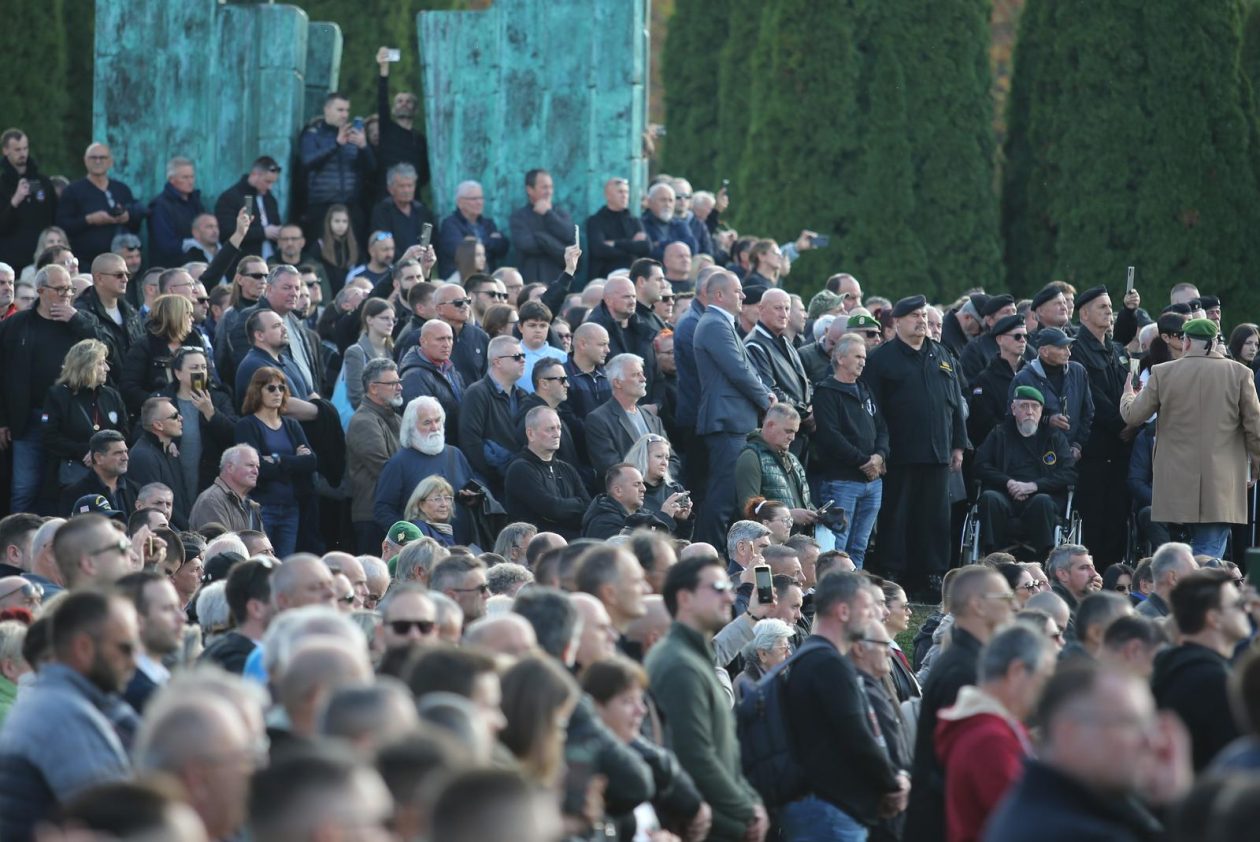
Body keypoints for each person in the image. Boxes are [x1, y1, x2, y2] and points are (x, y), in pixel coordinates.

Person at [982, 663, 1187, 842]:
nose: (1152, 741)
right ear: (1069, 733)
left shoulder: (1041, 807)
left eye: (1149, 724)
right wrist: (1178, 808)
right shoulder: (1075, 832)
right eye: (1130, 723)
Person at [775, 571, 906, 841]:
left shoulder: (813, 656)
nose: (875, 616)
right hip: (829, 809)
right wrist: (893, 784)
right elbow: (857, 734)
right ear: (844, 611)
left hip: (820, 804)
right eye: (868, 609)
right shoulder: (829, 663)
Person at [646, 556, 769, 842]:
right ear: (685, 598)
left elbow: (723, 752)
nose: (729, 595)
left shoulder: (695, 656)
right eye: (717, 587)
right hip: (706, 826)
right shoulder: (678, 664)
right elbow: (695, 755)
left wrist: (750, 801)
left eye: (728, 585)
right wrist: (746, 808)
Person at [0, 590, 138, 840]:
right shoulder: (60, 717)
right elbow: (114, 824)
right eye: (125, 648)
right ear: (84, 647)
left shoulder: (61, 704)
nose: (133, 661)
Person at [1121, 317, 1260, 557]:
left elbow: (1133, 415)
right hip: (1221, 484)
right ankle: (1196, 589)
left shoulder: (1162, 372)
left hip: (1174, 484)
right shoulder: (1240, 373)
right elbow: (1255, 428)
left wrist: (1127, 395)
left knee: (1180, 554)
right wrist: (1255, 468)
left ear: (1185, 342)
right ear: (1215, 342)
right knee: (1209, 552)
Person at [861, 295, 967, 600]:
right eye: (914, 316)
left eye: (924, 315)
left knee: (935, 518)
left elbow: (954, 405)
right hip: (900, 454)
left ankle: (933, 575)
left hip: (938, 453)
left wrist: (958, 444)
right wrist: (879, 450)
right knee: (897, 515)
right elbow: (873, 409)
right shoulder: (882, 358)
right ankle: (893, 573)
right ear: (897, 322)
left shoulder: (942, 354)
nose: (921, 321)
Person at [904, 566, 1015, 842]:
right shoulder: (963, 670)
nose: (1012, 605)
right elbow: (964, 762)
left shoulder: (969, 659)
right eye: (1003, 598)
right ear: (978, 605)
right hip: (946, 822)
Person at [935, 625, 1055, 842]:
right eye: (1044, 678)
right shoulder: (990, 739)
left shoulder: (989, 727)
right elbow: (1024, 824)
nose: (1045, 690)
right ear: (1017, 672)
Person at [0, 264, 102, 513]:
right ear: (41, 291)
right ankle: (17, 538)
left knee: (68, 485)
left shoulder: (80, 321)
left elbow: (103, 349)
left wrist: (77, 320)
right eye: (60, 289)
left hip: (70, 417)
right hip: (29, 417)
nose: (66, 295)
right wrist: (2, 419)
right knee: (24, 488)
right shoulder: (17, 324)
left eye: (69, 289)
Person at [582, 654, 711, 840]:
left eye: (640, 700)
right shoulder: (589, 768)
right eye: (627, 701)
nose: (640, 711)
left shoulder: (633, 756)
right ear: (597, 706)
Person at [693, 270, 776, 546]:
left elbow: (746, 368)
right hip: (727, 422)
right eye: (738, 291)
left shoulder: (722, 324)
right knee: (722, 495)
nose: (743, 296)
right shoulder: (714, 324)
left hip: (736, 421)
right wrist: (766, 400)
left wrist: (767, 394)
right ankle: (710, 554)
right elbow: (738, 370)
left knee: (729, 495)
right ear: (719, 295)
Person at [1151, 568, 1250, 771]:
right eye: (1238, 604)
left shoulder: (1168, 665)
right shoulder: (1215, 681)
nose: (1246, 610)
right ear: (1213, 618)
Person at [1071, 286, 1135, 568]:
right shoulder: (1076, 349)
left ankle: (1113, 575)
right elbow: (1091, 395)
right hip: (1095, 449)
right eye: (1102, 307)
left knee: (1117, 517)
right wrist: (1122, 423)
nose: (1109, 311)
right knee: (1094, 519)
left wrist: (1132, 422)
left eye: (1110, 307)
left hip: (1121, 449)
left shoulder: (1116, 350)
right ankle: (1090, 575)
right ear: (1084, 314)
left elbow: (1129, 389)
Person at [811, 333, 888, 565]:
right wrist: (865, 461)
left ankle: (855, 592)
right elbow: (831, 436)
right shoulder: (826, 392)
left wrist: (880, 456)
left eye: (864, 357)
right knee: (837, 546)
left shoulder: (865, 389)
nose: (863, 361)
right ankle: (831, 591)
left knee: (860, 545)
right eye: (857, 356)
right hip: (842, 481)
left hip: (872, 482)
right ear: (841, 358)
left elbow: (882, 427)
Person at [974, 385, 1077, 557]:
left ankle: (1046, 559)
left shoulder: (1054, 438)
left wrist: (1034, 486)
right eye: (1024, 406)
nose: (1030, 411)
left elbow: (1069, 474)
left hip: (1040, 496)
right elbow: (980, 465)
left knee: (1042, 502)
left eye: (1034, 406)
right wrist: (1008, 482)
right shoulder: (999, 433)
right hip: (1004, 494)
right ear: (1014, 409)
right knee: (989, 499)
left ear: (1041, 410)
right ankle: (992, 558)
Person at [234, 367, 318, 558]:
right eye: (271, 388)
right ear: (258, 391)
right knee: (261, 563)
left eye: (281, 388)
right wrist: (294, 461)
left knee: (284, 565)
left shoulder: (292, 425)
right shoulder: (247, 425)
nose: (278, 393)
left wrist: (277, 459)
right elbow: (257, 469)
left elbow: (311, 462)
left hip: (291, 507)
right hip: (262, 507)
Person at [373, 396, 477, 545]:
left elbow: (470, 489)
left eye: (437, 420)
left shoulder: (456, 454)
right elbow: (382, 510)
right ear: (412, 427)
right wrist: (411, 537)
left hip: (461, 547)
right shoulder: (398, 463)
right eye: (427, 422)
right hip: (423, 554)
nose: (435, 427)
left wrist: (474, 497)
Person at [40, 338, 128, 502]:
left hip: (111, 475)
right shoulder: (58, 396)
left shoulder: (111, 395)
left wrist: (104, 453)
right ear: (85, 366)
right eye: (101, 363)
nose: (107, 368)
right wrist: (84, 451)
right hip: (74, 475)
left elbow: (123, 432)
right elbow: (50, 436)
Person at [158, 345, 238, 493]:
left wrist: (212, 413)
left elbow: (234, 435)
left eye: (203, 367)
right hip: (175, 480)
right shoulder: (163, 401)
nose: (200, 372)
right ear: (178, 373)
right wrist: (162, 439)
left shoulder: (219, 398)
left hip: (210, 480)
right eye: (194, 367)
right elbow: (144, 431)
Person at [504, 406, 591, 540]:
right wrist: (576, 504)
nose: (557, 434)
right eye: (550, 429)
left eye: (559, 428)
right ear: (530, 434)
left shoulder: (567, 468)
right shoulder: (520, 469)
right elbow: (552, 509)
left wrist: (566, 508)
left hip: (572, 541)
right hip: (537, 548)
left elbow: (588, 507)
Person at [1008, 327, 1094, 461]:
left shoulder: (1078, 372)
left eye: (1069, 347)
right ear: (1044, 351)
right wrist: (1047, 421)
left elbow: (1088, 412)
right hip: (1036, 457)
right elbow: (1013, 418)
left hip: (1072, 455)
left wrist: (1078, 444)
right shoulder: (1023, 379)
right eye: (1061, 348)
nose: (1068, 353)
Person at [299, 92, 375, 243]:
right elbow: (308, 162)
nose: (345, 115)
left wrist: (364, 147)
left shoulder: (353, 135)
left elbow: (371, 169)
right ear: (327, 109)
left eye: (347, 110)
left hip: (350, 206)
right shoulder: (313, 133)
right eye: (340, 110)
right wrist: (336, 144)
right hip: (322, 206)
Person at [584, 353, 671, 479]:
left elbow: (672, 459)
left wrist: (660, 480)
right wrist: (649, 479)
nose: (643, 379)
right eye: (636, 375)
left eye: (642, 373)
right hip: (627, 495)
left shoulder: (652, 419)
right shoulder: (598, 420)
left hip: (660, 490)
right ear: (618, 383)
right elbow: (610, 467)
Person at [459, 334, 528, 492]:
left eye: (523, 356)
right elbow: (470, 441)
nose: (523, 360)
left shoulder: (522, 395)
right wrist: (494, 476)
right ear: (497, 361)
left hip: (519, 480)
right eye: (517, 357)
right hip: (492, 483)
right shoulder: (476, 393)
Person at [346, 357, 403, 551]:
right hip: (371, 517)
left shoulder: (395, 417)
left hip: (390, 512)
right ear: (373, 388)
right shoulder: (364, 421)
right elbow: (384, 469)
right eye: (392, 383)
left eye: (399, 382)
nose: (399, 387)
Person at [55, 143, 145, 265]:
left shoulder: (122, 189)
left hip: (120, 263)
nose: (98, 161)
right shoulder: (72, 191)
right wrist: (90, 220)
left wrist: (127, 216)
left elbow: (136, 225)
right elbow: (62, 226)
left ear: (111, 162)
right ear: (85, 160)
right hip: (86, 262)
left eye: (102, 157)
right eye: (93, 157)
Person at [119, 293, 208, 416]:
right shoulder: (145, 345)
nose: (192, 319)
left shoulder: (196, 341)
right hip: (158, 417)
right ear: (175, 316)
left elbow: (209, 377)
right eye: (188, 314)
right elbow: (129, 387)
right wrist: (158, 402)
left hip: (195, 410)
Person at [745, 288, 812, 448]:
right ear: (761, 310)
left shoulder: (784, 340)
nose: (783, 314)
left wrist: (810, 406)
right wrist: (805, 413)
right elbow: (770, 390)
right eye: (778, 308)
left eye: (787, 308)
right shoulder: (755, 344)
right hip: (779, 432)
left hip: (799, 430)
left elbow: (803, 380)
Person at [735, 404, 816, 531]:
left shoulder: (792, 459)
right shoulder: (751, 457)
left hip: (795, 542)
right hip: (769, 545)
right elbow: (748, 509)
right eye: (788, 431)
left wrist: (820, 515)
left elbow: (803, 501)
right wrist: (789, 515)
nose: (792, 437)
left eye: (795, 432)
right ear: (770, 425)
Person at [586, 274, 660, 402]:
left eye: (634, 296)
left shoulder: (644, 330)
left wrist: (656, 404)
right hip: (611, 411)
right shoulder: (594, 332)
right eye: (626, 297)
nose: (632, 301)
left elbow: (657, 374)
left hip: (646, 412)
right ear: (608, 300)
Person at [75, 252, 144, 385]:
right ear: (99, 278)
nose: (125, 279)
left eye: (127, 274)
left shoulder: (131, 312)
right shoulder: (81, 314)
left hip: (132, 389)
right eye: (119, 275)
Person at [127, 397, 192, 528]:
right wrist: (187, 531)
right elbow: (154, 505)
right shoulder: (143, 457)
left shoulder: (169, 450)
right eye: (174, 416)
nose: (181, 418)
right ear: (158, 425)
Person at [0, 130, 58, 272]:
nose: (23, 153)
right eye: (17, 149)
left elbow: (54, 218)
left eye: (25, 148)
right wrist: (15, 200)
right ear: (5, 150)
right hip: (10, 259)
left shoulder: (44, 182)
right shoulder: (2, 184)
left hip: (41, 257)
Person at [966, 314, 1026, 448]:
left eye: (1025, 336)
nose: (1023, 340)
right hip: (1000, 449)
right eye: (1017, 336)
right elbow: (983, 422)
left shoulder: (1031, 373)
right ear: (1000, 339)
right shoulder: (985, 379)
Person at [508, 168, 575, 283]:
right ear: (530, 190)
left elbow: (569, 238)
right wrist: (556, 245)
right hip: (531, 283)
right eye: (544, 187)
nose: (549, 191)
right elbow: (526, 245)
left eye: (551, 187)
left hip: (559, 282)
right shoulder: (519, 217)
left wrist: (548, 215)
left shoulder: (560, 214)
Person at [213, 156, 283, 264]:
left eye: (273, 183)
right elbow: (226, 232)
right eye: (267, 181)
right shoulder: (231, 197)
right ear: (255, 174)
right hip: (244, 261)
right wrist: (263, 232)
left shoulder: (269, 198)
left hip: (271, 261)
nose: (270, 187)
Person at [625, 433, 694, 538]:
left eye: (667, 458)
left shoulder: (675, 489)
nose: (665, 463)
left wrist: (684, 520)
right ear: (642, 457)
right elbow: (638, 539)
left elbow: (684, 541)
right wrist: (665, 516)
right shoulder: (631, 490)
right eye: (659, 456)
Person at [58, 430, 138, 518]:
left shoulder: (134, 489)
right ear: (98, 458)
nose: (125, 457)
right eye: (118, 453)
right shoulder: (75, 493)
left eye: (126, 451)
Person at [438, 180, 509, 277]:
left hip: (488, 278)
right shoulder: (450, 224)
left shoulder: (488, 224)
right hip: (460, 281)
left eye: (481, 198)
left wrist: (476, 242)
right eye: (474, 199)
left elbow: (502, 247)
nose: (479, 202)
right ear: (460, 202)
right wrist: (490, 242)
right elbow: (461, 252)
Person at [189, 444, 265, 534]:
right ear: (230, 467)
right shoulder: (212, 500)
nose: (256, 471)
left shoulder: (252, 506)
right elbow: (221, 545)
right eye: (250, 465)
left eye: (257, 467)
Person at [586, 176, 649, 279]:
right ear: (608, 195)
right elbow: (599, 250)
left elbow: (646, 247)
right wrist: (632, 246)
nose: (624, 196)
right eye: (620, 192)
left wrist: (615, 244)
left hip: (633, 277)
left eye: (626, 192)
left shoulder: (634, 221)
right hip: (605, 277)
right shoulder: (596, 221)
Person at [433, 281, 491, 390]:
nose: (465, 306)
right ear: (439, 309)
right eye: (458, 302)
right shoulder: (424, 336)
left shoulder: (480, 336)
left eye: (467, 301)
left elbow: (488, 378)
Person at [147, 157, 203, 266]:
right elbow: (165, 244)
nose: (190, 181)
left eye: (192, 177)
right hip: (170, 269)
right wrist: (191, 244)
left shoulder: (195, 202)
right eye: (185, 177)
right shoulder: (160, 206)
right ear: (172, 179)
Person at [369, 164, 436, 253]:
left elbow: (427, 243)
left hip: (420, 264)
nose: (406, 190)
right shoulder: (382, 212)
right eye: (402, 186)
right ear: (390, 189)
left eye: (410, 185)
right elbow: (383, 245)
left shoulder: (423, 211)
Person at [1138, 542, 1196, 620]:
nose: (1198, 579)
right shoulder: (1148, 620)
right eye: (1193, 573)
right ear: (1173, 578)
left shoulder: (1171, 615)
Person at [403, 475, 459, 546]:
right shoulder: (418, 530)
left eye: (447, 498)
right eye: (437, 499)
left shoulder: (442, 529)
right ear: (421, 505)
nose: (444, 504)